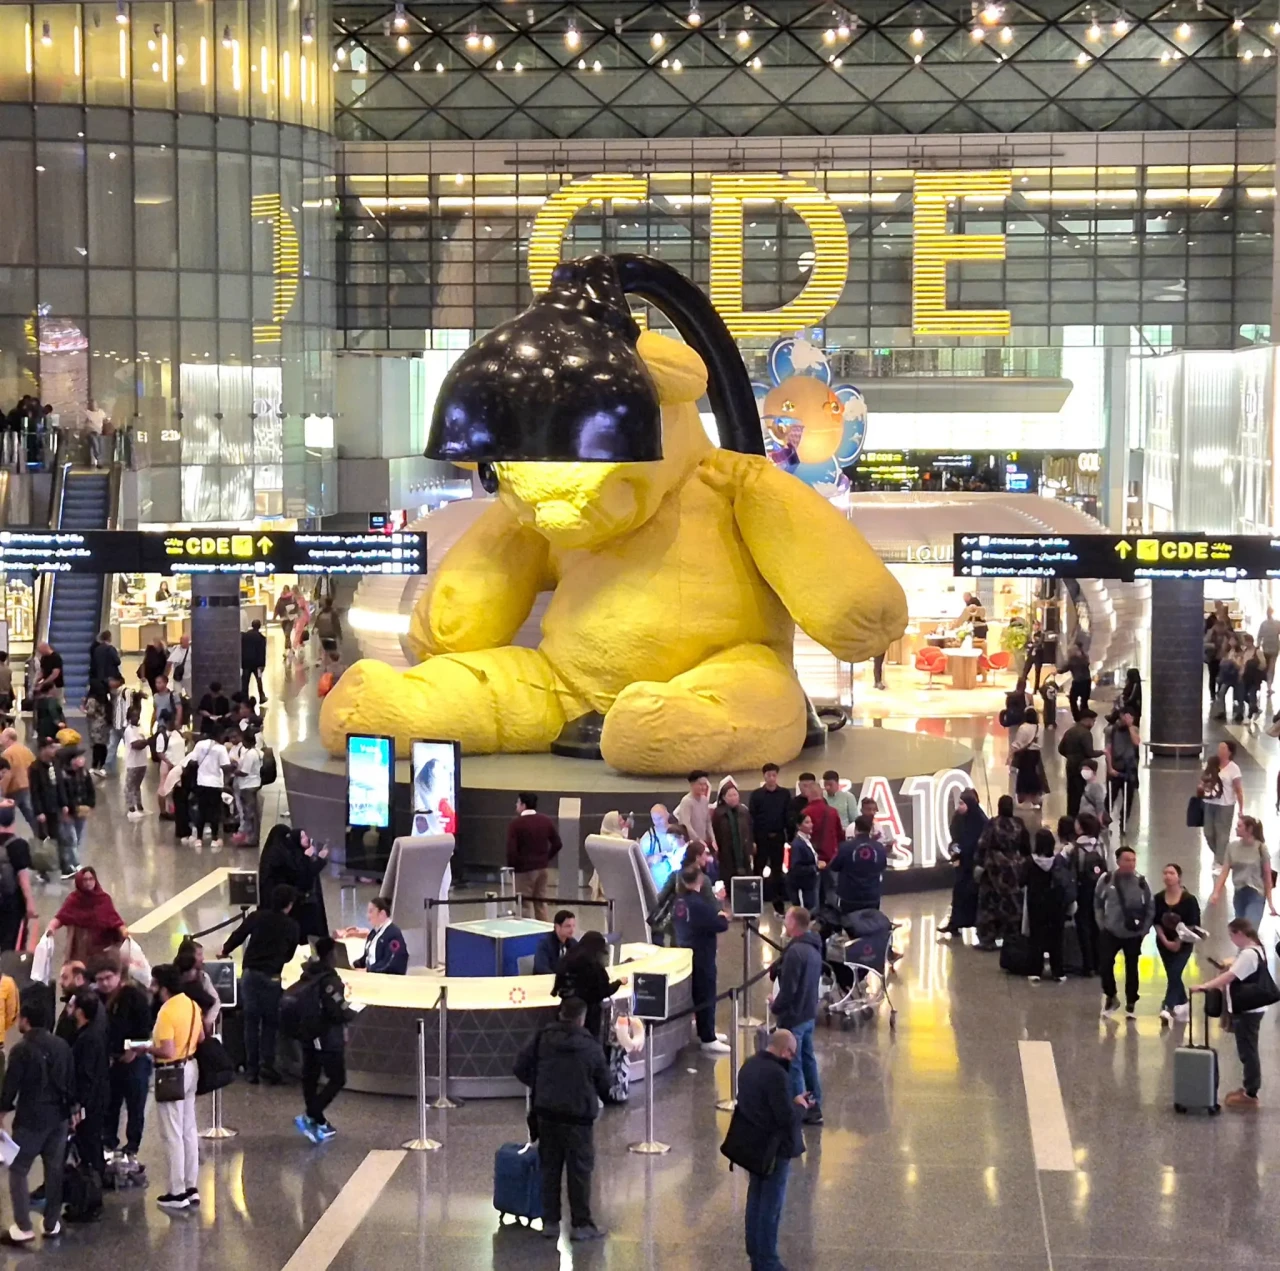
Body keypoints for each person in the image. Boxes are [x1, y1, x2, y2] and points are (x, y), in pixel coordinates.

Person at [513, 997, 611, 1242]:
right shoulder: (590, 1046)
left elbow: (520, 1067)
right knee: (579, 1171)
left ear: (560, 1014)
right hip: (578, 1118)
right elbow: (605, 1084)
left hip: (546, 1113)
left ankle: (550, 1222)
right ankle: (581, 1225)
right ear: (582, 1018)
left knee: (550, 1168)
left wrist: (540, 1084)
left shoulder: (542, 1038)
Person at [729, 1029, 807, 1271]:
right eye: (792, 1054)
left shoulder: (749, 1065)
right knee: (770, 1207)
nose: (792, 1059)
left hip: (753, 1145)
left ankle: (755, 1253)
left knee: (755, 1199)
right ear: (785, 1051)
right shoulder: (777, 1074)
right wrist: (800, 1107)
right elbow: (785, 1118)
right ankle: (767, 1261)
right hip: (775, 1149)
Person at [0, 993, 73, 1244]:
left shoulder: (21, 1049)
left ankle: (23, 1227)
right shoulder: (62, 1046)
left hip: (32, 1119)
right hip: (59, 1117)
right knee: (54, 1170)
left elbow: (10, 1087)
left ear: (26, 1020)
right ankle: (51, 1224)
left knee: (19, 1169)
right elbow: (70, 1081)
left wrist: (2, 1113)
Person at [218, 883, 300, 1084]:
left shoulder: (257, 916)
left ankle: (251, 1069)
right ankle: (267, 1065)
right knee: (270, 1023)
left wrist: (225, 950)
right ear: (289, 905)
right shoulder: (292, 926)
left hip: (250, 975)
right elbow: (289, 955)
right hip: (272, 977)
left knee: (251, 1022)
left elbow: (239, 935)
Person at [1191, 917, 1271, 1109]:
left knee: (1248, 1051)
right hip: (1253, 1007)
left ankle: (1251, 1093)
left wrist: (1205, 986)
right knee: (1247, 1049)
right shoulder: (1257, 949)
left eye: (1232, 936)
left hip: (1247, 1009)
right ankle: (1249, 1088)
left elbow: (1230, 976)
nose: (1232, 940)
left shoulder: (1248, 954)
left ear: (1240, 934)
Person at [147, 963, 203, 1211]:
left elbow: (167, 1050)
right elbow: (201, 1037)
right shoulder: (191, 1005)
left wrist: (146, 1048)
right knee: (189, 1130)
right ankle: (191, 1187)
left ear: (163, 986)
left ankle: (177, 1192)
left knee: (172, 1133)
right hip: (191, 1066)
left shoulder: (166, 1012)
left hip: (170, 1073)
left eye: (154, 983)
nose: (151, 988)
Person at [90, 952, 152, 1172]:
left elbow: (146, 1028)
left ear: (118, 975)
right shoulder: (95, 999)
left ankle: (132, 1148)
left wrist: (133, 1050)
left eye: (108, 978)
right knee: (110, 1105)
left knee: (135, 1106)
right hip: (109, 1062)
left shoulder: (134, 996)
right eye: (100, 979)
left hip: (135, 1061)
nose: (105, 984)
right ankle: (109, 1144)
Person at [293, 937, 354, 1143]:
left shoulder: (309, 974)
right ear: (330, 955)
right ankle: (311, 1115)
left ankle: (317, 1120)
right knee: (337, 1078)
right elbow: (336, 1010)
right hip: (327, 1037)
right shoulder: (329, 979)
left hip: (308, 1033)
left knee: (310, 1076)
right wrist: (351, 1012)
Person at [768, 906, 823, 1124]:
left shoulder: (795, 953)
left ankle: (800, 1107)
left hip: (794, 1017)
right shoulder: (814, 947)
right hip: (808, 1013)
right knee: (809, 1060)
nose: (784, 923)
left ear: (793, 923)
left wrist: (776, 1006)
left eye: (786, 920)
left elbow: (789, 990)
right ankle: (815, 1103)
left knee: (795, 1063)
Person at [1095, 845, 1154, 1019]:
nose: (1131, 863)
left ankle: (1131, 1001)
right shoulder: (1106, 880)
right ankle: (1111, 995)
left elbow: (1150, 907)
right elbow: (1098, 903)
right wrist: (1102, 924)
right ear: (1118, 861)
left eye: (1133, 860)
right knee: (1105, 964)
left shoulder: (1141, 883)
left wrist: (1144, 930)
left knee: (1132, 967)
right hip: (1110, 930)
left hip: (1133, 933)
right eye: (1127, 860)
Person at [68, 990, 108, 1211]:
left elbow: (86, 1076)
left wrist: (78, 1107)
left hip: (90, 1104)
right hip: (97, 1099)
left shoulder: (87, 1039)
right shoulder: (94, 1034)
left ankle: (91, 1196)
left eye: (73, 1007)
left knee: (89, 1148)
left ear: (80, 1012)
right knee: (92, 1146)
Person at [551, 930, 626, 1044]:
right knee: (587, 1044)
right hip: (589, 1015)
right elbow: (603, 991)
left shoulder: (568, 958)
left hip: (566, 1009)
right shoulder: (594, 965)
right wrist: (619, 982)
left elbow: (558, 982)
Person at [258, 826, 329, 942]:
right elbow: (301, 875)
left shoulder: (277, 854)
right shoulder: (279, 856)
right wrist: (314, 859)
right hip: (285, 902)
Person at [1022, 828, 1074, 982]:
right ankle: (1058, 971)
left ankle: (1035, 970)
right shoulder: (1059, 861)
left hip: (1035, 903)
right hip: (1056, 903)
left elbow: (1022, 880)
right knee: (1056, 937)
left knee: (1036, 936)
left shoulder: (1030, 862)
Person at [975, 796, 1027, 950]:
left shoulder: (992, 823)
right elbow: (1025, 847)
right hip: (1014, 868)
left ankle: (988, 939)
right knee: (1013, 904)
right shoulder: (1019, 824)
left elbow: (982, 844)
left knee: (989, 904)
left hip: (994, 870)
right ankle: (1013, 938)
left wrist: (978, 863)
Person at [48, 867, 126, 966]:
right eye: (85, 880)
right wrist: (51, 928)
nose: (88, 882)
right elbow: (60, 917)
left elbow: (115, 920)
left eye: (91, 879)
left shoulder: (104, 899)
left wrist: (124, 931)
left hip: (102, 949)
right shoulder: (73, 900)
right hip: (79, 950)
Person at [1209, 814, 1276, 928]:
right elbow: (1224, 872)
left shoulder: (1261, 848)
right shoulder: (1232, 847)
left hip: (1256, 893)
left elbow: (1267, 875)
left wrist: (1270, 901)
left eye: (1239, 826)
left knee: (1249, 927)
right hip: (1239, 893)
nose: (1236, 828)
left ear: (1249, 829)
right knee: (1241, 930)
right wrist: (1216, 892)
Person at [1154, 863, 1201, 1026]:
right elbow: (1156, 922)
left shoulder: (1189, 900)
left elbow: (1192, 924)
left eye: (1171, 873)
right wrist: (1165, 940)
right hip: (1163, 942)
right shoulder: (1158, 898)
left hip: (1184, 943)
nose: (1168, 876)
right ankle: (1183, 1002)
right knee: (1172, 975)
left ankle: (1167, 1006)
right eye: (1165, 873)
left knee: (1175, 972)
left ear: (1178, 877)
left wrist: (1178, 942)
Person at [506, 793, 562, 922]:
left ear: (523, 805)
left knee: (523, 905)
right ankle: (544, 930)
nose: (516, 805)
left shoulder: (516, 824)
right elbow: (557, 844)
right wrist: (545, 859)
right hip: (542, 869)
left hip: (524, 871)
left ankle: (526, 932)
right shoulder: (545, 820)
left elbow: (511, 850)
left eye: (518, 802)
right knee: (540, 904)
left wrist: (513, 867)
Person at [940, 788, 987, 936]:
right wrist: (955, 849)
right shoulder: (958, 818)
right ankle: (955, 923)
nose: (959, 806)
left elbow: (981, 842)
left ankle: (978, 926)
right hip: (962, 863)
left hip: (974, 863)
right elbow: (955, 835)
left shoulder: (980, 820)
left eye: (962, 803)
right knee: (959, 893)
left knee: (973, 895)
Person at [1067, 812, 1107, 977]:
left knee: (1083, 925)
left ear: (1081, 827)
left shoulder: (1074, 848)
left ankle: (1087, 964)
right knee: (1097, 923)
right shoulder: (1100, 845)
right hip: (1099, 889)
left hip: (1082, 889)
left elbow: (1071, 872)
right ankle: (1099, 963)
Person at [30, 735, 75, 879]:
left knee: (58, 837)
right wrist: (39, 811)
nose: (53, 750)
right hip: (44, 809)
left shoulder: (55, 763)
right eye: (50, 747)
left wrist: (64, 803)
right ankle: (42, 870)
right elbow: (34, 791)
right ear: (42, 749)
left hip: (55, 806)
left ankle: (64, 867)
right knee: (43, 839)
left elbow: (59, 784)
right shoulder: (35, 768)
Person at [749, 763, 791, 908]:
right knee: (758, 868)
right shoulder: (756, 795)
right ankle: (755, 897)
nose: (771, 778)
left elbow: (787, 816)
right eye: (769, 775)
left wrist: (788, 836)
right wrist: (753, 840)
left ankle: (777, 899)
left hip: (778, 837)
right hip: (761, 838)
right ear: (764, 776)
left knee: (777, 869)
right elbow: (752, 818)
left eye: (774, 775)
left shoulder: (784, 794)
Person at [828, 815, 888, 915]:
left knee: (849, 921)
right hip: (872, 896)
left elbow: (834, 866)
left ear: (856, 828)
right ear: (871, 828)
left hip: (849, 896)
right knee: (871, 921)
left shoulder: (845, 847)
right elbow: (882, 866)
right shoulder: (879, 847)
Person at [186, 727, 231, 846]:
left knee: (201, 810)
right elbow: (225, 766)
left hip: (201, 782)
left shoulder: (199, 744)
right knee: (214, 811)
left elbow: (193, 761)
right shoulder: (221, 748)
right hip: (215, 783)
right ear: (219, 734)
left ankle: (199, 839)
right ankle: (214, 839)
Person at [1201, 740, 1244, 863]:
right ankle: (1224, 856)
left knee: (1222, 835)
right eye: (1219, 748)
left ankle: (1220, 862)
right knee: (1208, 832)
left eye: (1223, 748)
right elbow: (1204, 779)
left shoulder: (1234, 768)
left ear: (1230, 752)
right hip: (1209, 802)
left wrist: (1241, 808)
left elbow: (1238, 790)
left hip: (1225, 804)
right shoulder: (1211, 763)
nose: (1220, 750)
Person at [1057, 707, 1102, 817]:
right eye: (1093, 721)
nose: (1093, 723)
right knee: (1080, 793)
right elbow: (1089, 752)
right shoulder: (1086, 733)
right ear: (1087, 720)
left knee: (1071, 793)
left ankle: (1070, 817)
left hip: (1070, 765)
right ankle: (1079, 818)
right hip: (1082, 766)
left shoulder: (1069, 731)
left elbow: (1060, 749)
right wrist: (1102, 752)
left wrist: (1070, 756)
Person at [1104, 705, 1140, 830]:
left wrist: (1130, 727)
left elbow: (1136, 742)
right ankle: (1104, 821)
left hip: (1129, 769)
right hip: (1115, 767)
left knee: (1128, 799)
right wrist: (1110, 768)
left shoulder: (1134, 729)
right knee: (1110, 798)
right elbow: (1108, 750)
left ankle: (1123, 822)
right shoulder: (1111, 730)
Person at [351, 896, 408, 975]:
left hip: (386, 978)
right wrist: (355, 965)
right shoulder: (373, 933)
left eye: (371, 911)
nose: (368, 916)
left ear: (382, 913)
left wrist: (368, 970)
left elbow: (391, 963)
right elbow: (367, 957)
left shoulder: (394, 935)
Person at [711, 778, 754, 881]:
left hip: (744, 852)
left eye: (735, 795)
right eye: (730, 795)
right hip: (726, 853)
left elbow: (750, 829)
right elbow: (715, 832)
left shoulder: (744, 811)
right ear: (723, 797)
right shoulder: (718, 814)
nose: (733, 798)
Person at [797, 772, 842, 864]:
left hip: (812, 856)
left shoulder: (805, 812)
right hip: (831, 856)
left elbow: (802, 837)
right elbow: (840, 835)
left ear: (809, 794)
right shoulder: (833, 811)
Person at [1009, 705, 1048, 806]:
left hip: (1025, 756)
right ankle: (1035, 797)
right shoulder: (1040, 728)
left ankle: (1023, 796)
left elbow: (1018, 743)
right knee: (1035, 775)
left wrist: (1012, 753)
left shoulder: (1023, 727)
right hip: (1036, 755)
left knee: (1024, 776)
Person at [229, 733, 263, 848]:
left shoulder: (250, 754)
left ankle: (250, 838)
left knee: (249, 813)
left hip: (247, 785)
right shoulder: (258, 752)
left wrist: (233, 771)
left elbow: (245, 772)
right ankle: (252, 836)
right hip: (255, 783)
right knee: (253, 813)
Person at [786, 813, 820, 912]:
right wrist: (815, 867)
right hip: (801, 886)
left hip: (809, 884)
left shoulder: (807, 841)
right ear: (799, 826)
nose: (811, 825)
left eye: (811, 822)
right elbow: (796, 868)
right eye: (807, 822)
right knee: (803, 912)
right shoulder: (797, 844)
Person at [673, 771, 713, 847]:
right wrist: (698, 840)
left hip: (703, 842)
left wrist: (713, 839)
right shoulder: (686, 801)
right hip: (691, 844)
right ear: (692, 784)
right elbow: (686, 825)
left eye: (705, 784)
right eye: (700, 784)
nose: (704, 787)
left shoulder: (704, 800)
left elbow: (708, 822)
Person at [534, 909, 578, 975]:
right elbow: (541, 968)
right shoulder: (545, 944)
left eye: (573, 926)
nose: (572, 930)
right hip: (546, 979)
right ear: (557, 927)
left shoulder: (573, 943)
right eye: (568, 926)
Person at [104, 675, 128, 778]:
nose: (110, 683)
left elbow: (128, 707)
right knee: (111, 746)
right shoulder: (112, 693)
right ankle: (107, 768)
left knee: (129, 747)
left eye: (112, 680)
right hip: (115, 724)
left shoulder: (126, 691)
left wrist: (127, 723)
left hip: (124, 725)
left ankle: (133, 766)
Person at [240, 619, 268, 704]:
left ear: (252, 625)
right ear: (259, 626)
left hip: (246, 663)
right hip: (258, 665)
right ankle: (261, 696)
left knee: (245, 681)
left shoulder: (244, 636)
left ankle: (245, 698)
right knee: (259, 679)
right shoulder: (261, 638)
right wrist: (263, 665)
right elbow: (262, 652)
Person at [1065, 641, 1091, 722]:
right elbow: (1067, 667)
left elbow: (1086, 664)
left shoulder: (1084, 657)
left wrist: (1079, 656)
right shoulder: (1073, 658)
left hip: (1084, 681)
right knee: (1073, 699)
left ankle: (1083, 717)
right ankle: (1077, 717)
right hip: (1078, 681)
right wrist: (1058, 671)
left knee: (1084, 701)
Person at [1258, 606, 1280, 693]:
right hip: (1272, 648)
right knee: (1270, 668)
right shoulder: (1276, 623)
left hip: (1269, 648)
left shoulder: (1264, 624)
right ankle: (1269, 686)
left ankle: (1268, 686)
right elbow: (1259, 636)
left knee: (1268, 667)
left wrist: (1258, 645)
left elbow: (1259, 636)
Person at [83, 398, 107, 467]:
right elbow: (85, 425)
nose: (93, 405)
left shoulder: (101, 412)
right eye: (91, 404)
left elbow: (105, 421)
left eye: (94, 404)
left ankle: (101, 460)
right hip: (91, 432)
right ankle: (99, 460)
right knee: (95, 443)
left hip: (99, 432)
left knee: (101, 444)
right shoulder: (87, 413)